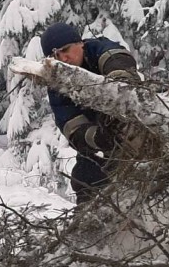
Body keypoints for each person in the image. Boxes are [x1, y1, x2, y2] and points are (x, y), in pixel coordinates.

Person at [40, 22, 159, 204]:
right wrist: (99, 137)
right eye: (55, 56)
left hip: (141, 127)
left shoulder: (98, 48)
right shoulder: (56, 83)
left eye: (66, 50)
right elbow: (71, 127)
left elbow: (118, 59)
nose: (63, 59)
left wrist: (118, 88)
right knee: (84, 180)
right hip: (102, 144)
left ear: (80, 43)